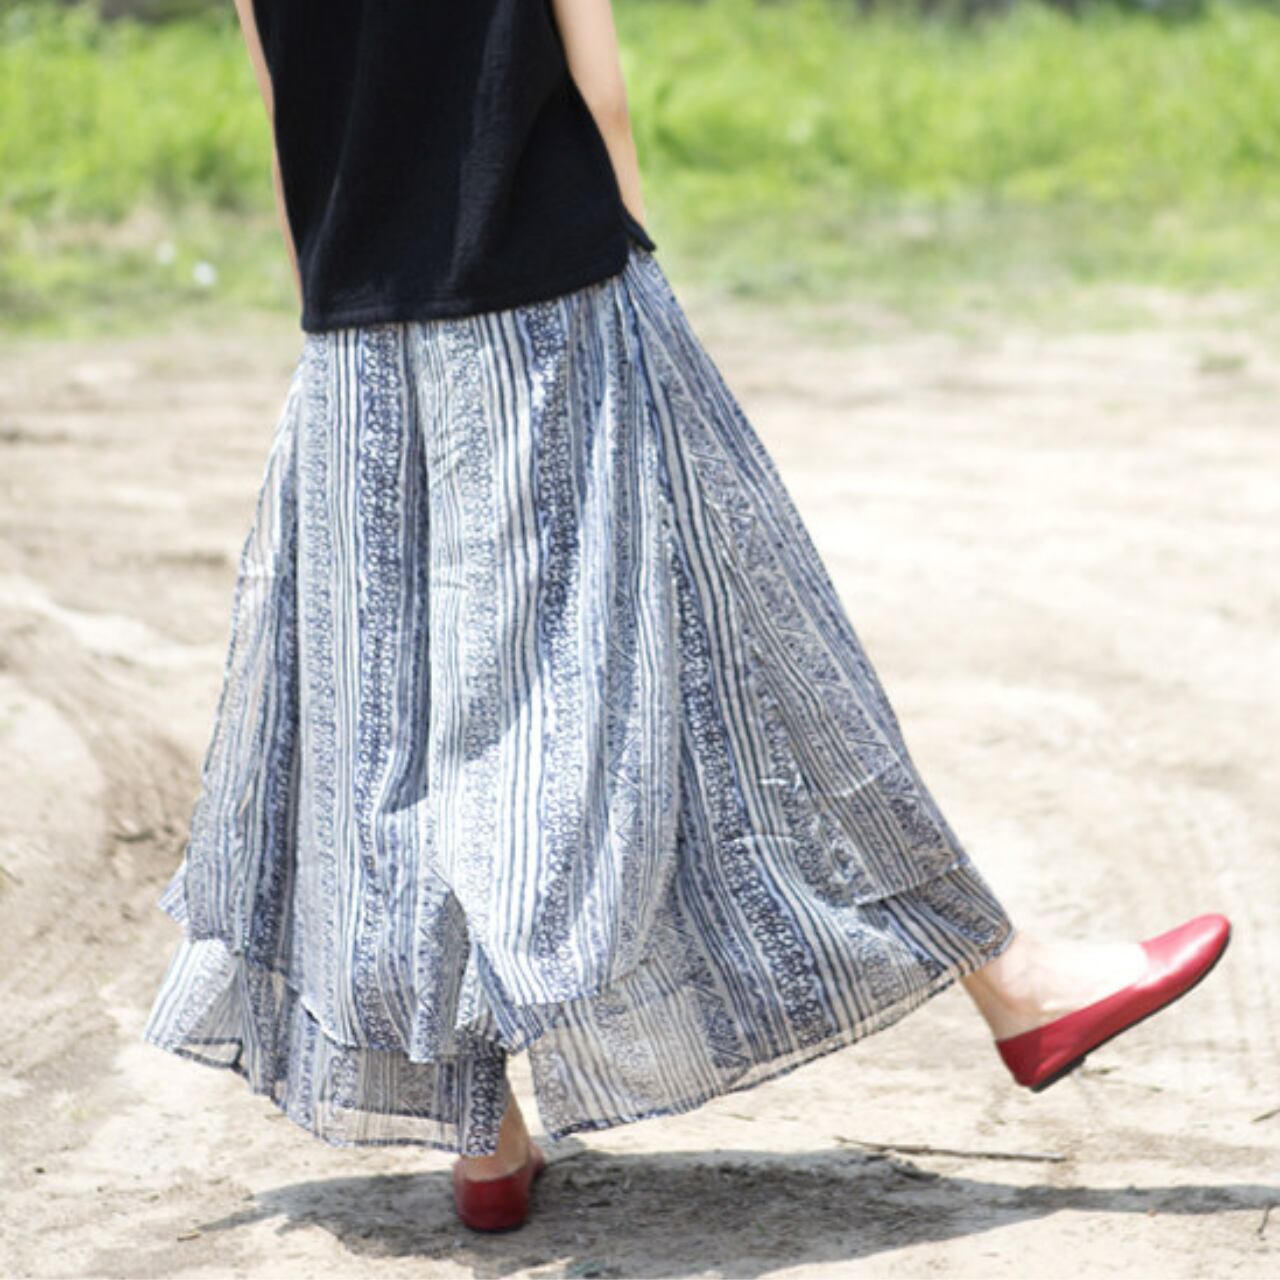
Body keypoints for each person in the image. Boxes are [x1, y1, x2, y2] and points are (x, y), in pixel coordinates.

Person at [141, 0, 1232, 1234]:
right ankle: (1014, 982)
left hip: (353, 347)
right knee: (758, 627)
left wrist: (342, 324)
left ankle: (480, 1131)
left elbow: (287, 118)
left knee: (391, 723)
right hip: (558, 317)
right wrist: (640, 283)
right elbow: (598, 93)